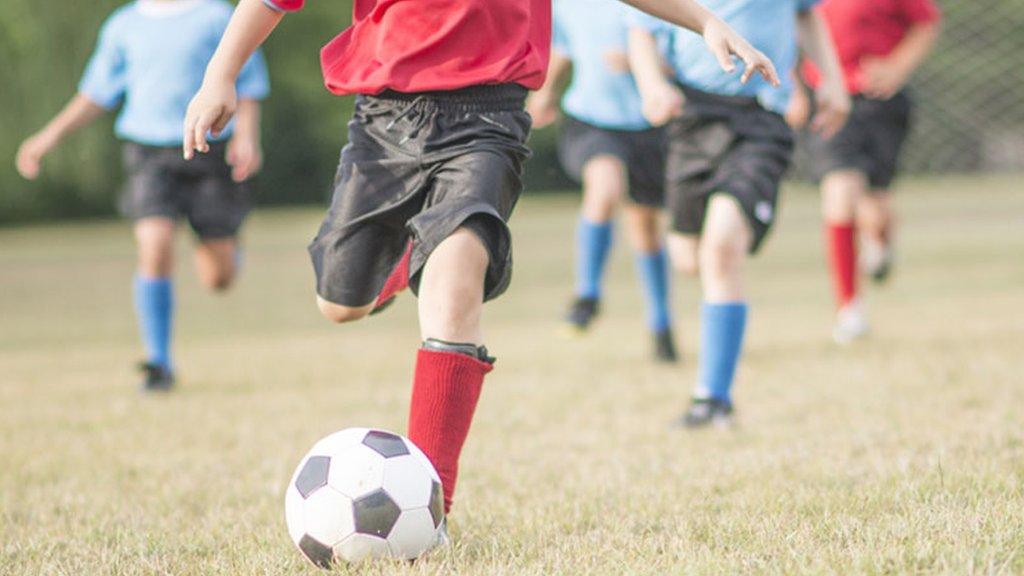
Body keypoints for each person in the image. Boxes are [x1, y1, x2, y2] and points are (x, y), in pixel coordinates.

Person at [182, 0, 777, 528]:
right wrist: (219, 75)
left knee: (454, 275)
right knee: (339, 304)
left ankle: (432, 499)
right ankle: (402, 261)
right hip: (385, 120)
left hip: (488, 117)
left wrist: (705, 20)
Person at [15, 0, 270, 392]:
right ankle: (159, 362)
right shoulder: (124, 25)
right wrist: (47, 137)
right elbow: (95, 94)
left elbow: (247, 81)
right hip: (148, 153)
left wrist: (247, 135)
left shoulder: (217, 16)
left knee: (219, 277)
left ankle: (224, 242)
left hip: (209, 149)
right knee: (154, 244)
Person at [629, 0, 849, 427]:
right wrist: (652, 84)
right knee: (688, 259)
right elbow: (641, 29)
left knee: (721, 248)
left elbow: (807, 15)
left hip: (762, 118)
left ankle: (712, 399)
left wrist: (833, 82)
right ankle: (713, 383)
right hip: (691, 117)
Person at [527, 0, 679, 363]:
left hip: (648, 124)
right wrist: (544, 95)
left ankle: (660, 322)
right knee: (604, 188)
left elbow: (684, 63)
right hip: (591, 119)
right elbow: (563, 47)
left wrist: (640, 64)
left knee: (644, 227)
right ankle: (587, 293)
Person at [788, 0, 941, 344]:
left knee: (875, 206)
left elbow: (926, 23)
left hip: (879, 100)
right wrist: (794, 88)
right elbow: (787, 27)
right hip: (829, 99)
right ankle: (849, 308)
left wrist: (897, 67)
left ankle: (880, 243)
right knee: (840, 192)